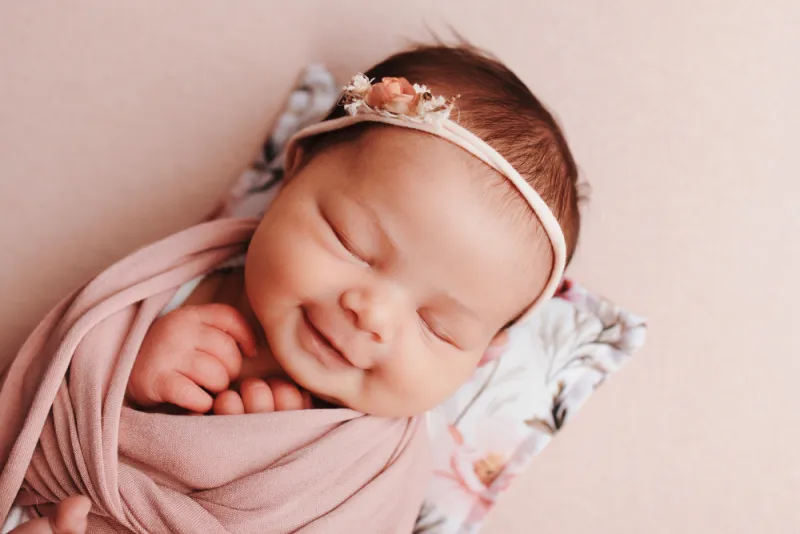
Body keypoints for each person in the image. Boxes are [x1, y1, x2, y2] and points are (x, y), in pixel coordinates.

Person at [3, 44, 580, 533]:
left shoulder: (371, 477)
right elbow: (42, 405)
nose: (372, 313)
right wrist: (132, 372)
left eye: (438, 326)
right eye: (352, 243)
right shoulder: (170, 289)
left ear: (485, 357)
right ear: (295, 171)